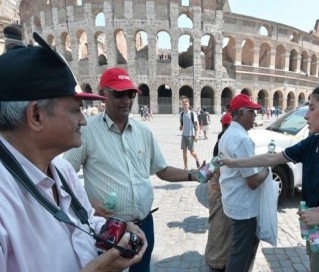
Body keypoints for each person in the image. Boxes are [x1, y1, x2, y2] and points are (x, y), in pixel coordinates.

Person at [0, 32, 147, 272]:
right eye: (75, 110)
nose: (83, 121)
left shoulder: (63, 170)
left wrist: (113, 228)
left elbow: (86, 220)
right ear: (36, 115)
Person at [221, 80, 319, 271]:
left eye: (311, 108)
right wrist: (233, 163)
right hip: (314, 230)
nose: (306, 116)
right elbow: (273, 158)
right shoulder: (312, 143)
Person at [63, 67, 202, 272]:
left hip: (144, 224)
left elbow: (161, 170)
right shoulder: (87, 131)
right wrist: (88, 203)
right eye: (119, 94)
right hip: (110, 229)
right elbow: (64, 178)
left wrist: (193, 175)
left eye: (131, 94)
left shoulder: (143, 132)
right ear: (104, 95)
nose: (126, 100)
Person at [218, 94, 270, 272]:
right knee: (240, 253)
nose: (255, 116)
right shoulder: (241, 139)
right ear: (240, 113)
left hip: (234, 201)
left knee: (240, 249)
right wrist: (267, 169)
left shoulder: (228, 134)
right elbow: (253, 182)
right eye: (252, 112)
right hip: (243, 207)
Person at [205, 111, 232, 270]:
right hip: (220, 193)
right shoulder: (226, 141)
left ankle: (215, 259)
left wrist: (201, 174)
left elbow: (211, 166)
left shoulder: (221, 140)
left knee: (218, 229)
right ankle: (217, 261)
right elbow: (216, 164)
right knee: (221, 229)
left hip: (215, 193)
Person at [179, 97, 201, 169]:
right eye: (184, 104)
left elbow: (196, 125)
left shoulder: (192, 113)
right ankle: (185, 167)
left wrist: (197, 135)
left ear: (188, 105)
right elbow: (182, 124)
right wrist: (181, 127)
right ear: (182, 105)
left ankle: (197, 158)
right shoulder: (181, 114)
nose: (185, 106)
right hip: (184, 135)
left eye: (186, 104)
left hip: (191, 136)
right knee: (184, 152)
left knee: (192, 152)